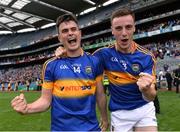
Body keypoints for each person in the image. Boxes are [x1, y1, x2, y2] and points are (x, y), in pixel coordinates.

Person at [55, 8, 157, 131]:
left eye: (128, 27)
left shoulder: (146, 57)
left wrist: (146, 90)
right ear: (112, 30)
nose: (124, 33)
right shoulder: (103, 54)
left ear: (134, 28)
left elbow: (151, 97)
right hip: (120, 114)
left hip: (144, 109)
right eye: (118, 28)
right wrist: (65, 51)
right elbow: (82, 59)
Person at [11, 13, 108, 131]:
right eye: (65, 31)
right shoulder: (51, 65)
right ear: (60, 37)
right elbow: (45, 101)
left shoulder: (94, 62)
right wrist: (27, 108)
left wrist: (105, 118)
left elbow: (100, 95)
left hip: (91, 129)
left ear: (80, 33)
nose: (70, 33)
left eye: (73, 29)